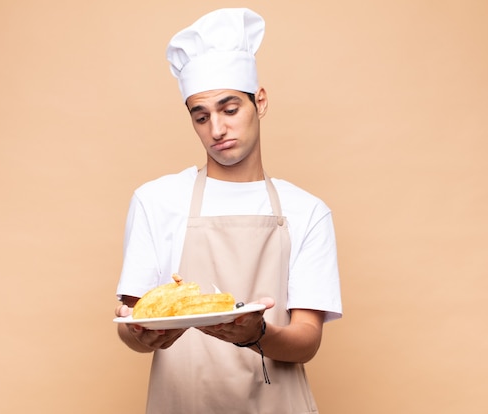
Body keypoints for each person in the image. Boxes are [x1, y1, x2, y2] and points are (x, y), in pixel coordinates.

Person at [114, 8, 342, 413]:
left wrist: (255, 334)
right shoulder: (156, 200)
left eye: (230, 109)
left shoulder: (307, 210)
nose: (216, 130)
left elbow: (307, 340)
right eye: (201, 117)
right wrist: (140, 336)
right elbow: (134, 322)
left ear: (261, 102)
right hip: (181, 402)